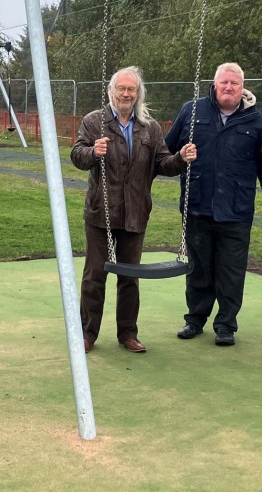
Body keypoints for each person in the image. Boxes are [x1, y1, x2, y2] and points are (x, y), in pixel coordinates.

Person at [70, 66, 196, 354]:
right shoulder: (94, 122)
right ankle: (87, 334)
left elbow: (162, 163)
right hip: (101, 212)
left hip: (135, 213)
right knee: (94, 276)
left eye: (132, 89)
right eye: (121, 88)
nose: (126, 94)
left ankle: (128, 333)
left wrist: (181, 158)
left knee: (130, 277)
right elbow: (77, 154)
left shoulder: (148, 127)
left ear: (138, 94)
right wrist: (93, 152)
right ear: (111, 91)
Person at [165, 62, 262, 347]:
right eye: (224, 83)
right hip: (197, 204)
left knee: (231, 271)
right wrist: (180, 157)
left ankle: (226, 325)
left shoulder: (255, 120)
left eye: (235, 83)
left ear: (242, 87)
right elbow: (165, 151)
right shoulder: (192, 111)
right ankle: (195, 320)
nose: (229, 88)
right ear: (214, 84)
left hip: (236, 209)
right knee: (199, 269)